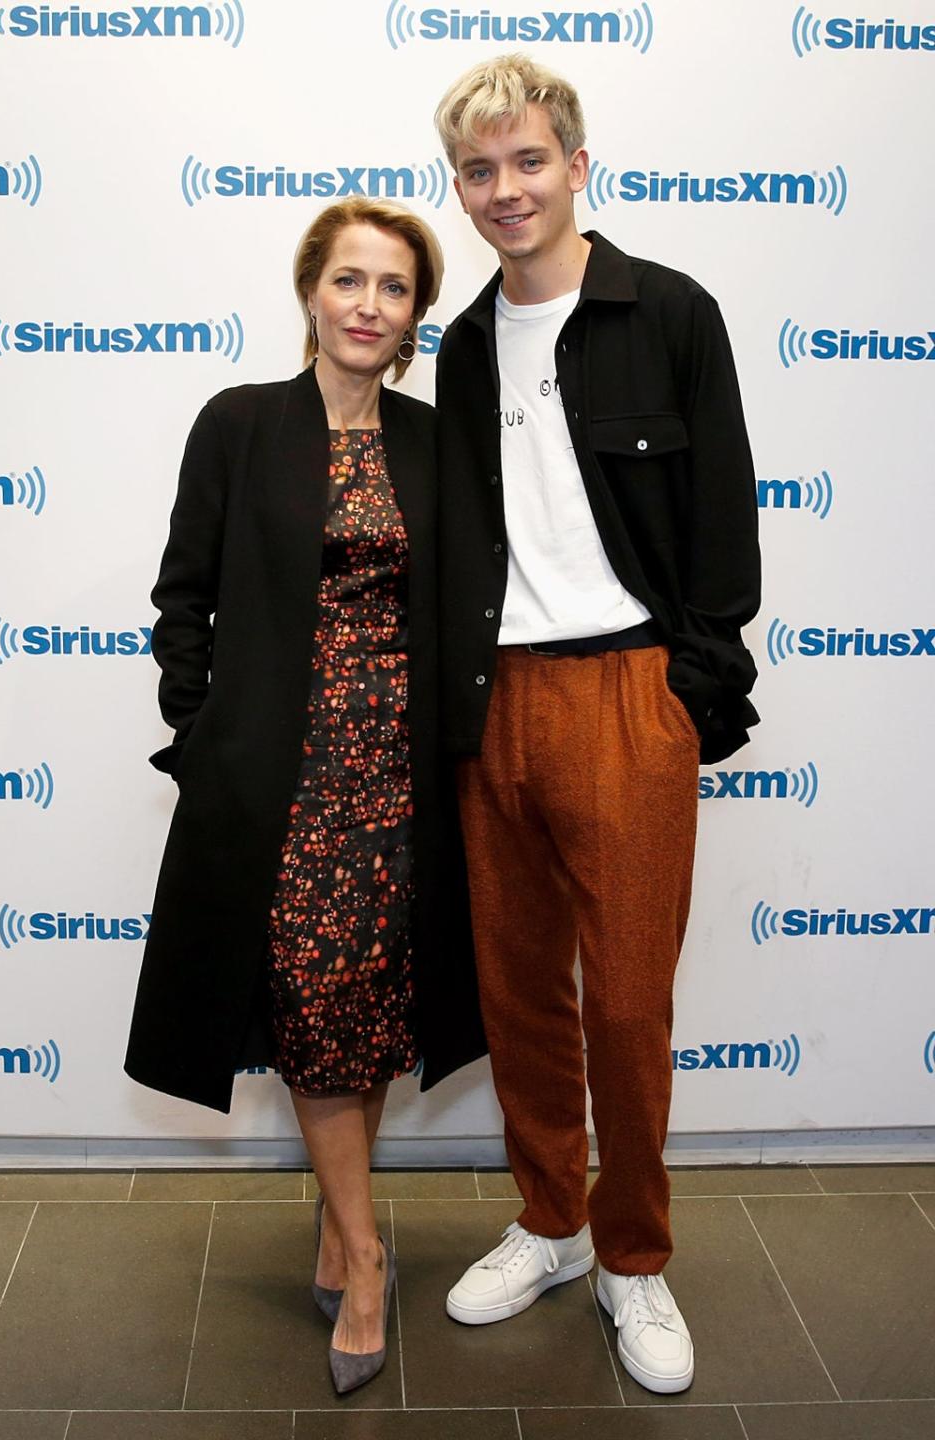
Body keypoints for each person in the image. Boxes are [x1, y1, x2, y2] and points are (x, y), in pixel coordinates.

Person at [433, 56, 760, 1394]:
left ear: (577, 162)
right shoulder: (459, 346)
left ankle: (634, 1259)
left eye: (527, 161)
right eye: (477, 171)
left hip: (631, 693)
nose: (504, 191)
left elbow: (725, 517)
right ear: (457, 188)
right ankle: (553, 1224)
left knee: (625, 1004)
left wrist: (690, 689)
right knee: (520, 1001)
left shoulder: (668, 313)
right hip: (493, 702)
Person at [124, 197, 485, 1395]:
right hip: (284, 770)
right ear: (310, 292)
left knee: (371, 999)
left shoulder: (436, 444)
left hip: (406, 770)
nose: (368, 306)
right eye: (350, 281)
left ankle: (338, 1222)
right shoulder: (239, 425)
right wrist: (204, 724)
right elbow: (185, 597)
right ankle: (370, 1256)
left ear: (416, 315)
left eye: (393, 289)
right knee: (320, 990)